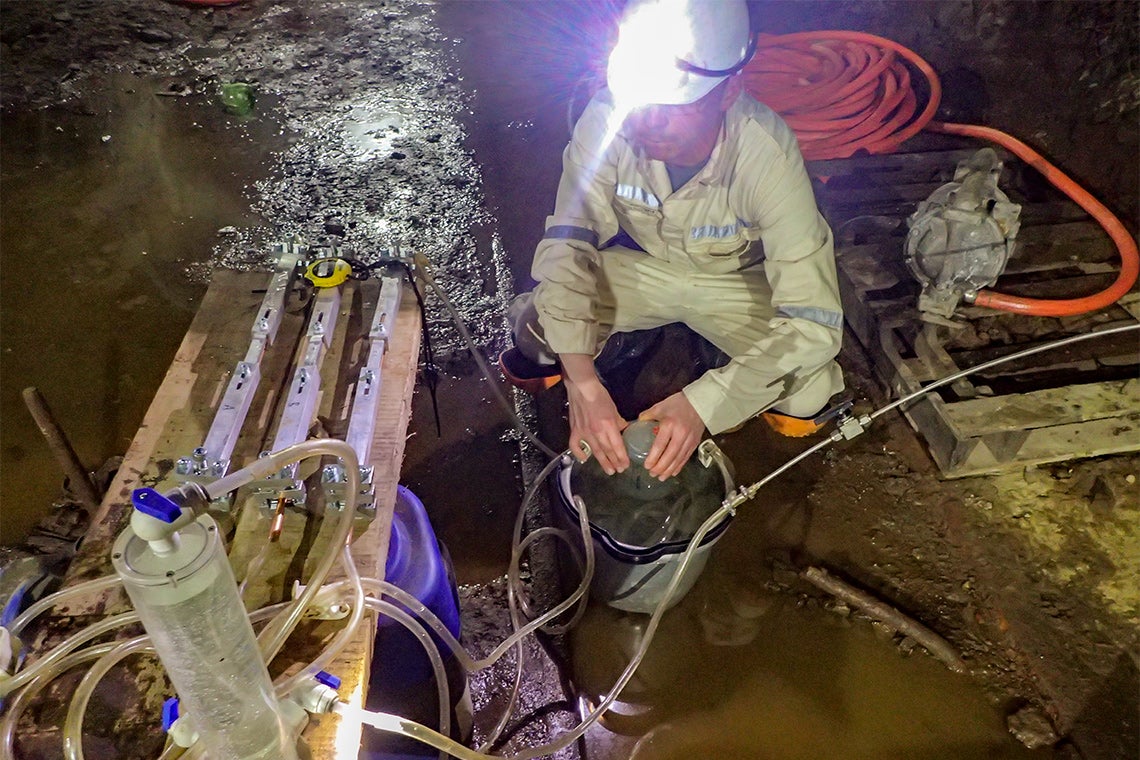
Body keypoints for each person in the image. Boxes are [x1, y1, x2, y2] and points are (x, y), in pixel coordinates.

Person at [500, 0, 844, 483]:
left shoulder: (767, 153)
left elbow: (814, 321)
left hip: (737, 286)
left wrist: (704, 403)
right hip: (646, 270)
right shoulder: (607, 118)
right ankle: (627, 352)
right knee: (537, 329)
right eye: (640, 101)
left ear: (729, 91)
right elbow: (569, 244)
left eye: (674, 105)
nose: (649, 121)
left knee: (809, 391)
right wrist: (582, 383)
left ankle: (717, 360)